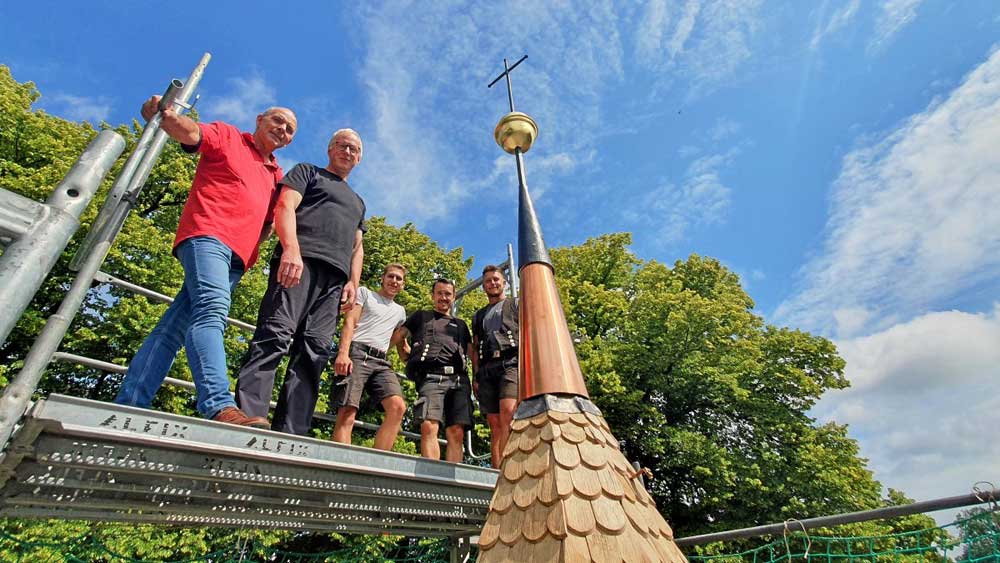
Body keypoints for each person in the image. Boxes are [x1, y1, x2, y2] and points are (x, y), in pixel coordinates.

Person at [115, 96, 297, 428]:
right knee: (212, 310)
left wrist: (255, 249)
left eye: (290, 130)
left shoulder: (275, 174)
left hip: (237, 259)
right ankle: (218, 405)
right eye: (279, 121)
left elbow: (270, 222)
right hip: (208, 235)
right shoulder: (229, 136)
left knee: (174, 326)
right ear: (259, 119)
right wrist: (166, 114)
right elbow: (190, 132)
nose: (283, 130)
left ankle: (131, 403)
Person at [234, 129, 366, 435]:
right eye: (344, 146)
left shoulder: (358, 202)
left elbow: (357, 246)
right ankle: (248, 415)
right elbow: (285, 207)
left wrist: (353, 282)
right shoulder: (307, 172)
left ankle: (292, 430)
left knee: (315, 350)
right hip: (298, 264)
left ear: (359, 158)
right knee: (275, 335)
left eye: (355, 149)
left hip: (334, 281)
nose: (349, 152)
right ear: (331, 148)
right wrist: (291, 249)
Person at [330, 264, 409, 450]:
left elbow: (399, 343)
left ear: (403, 285)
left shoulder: (400, 312)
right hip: (358, 353)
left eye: (399, 279)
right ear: (383, 278)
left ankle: (379, 461)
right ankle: (341, 465)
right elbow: (350, 322)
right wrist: (343, 353)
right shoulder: (365, 293)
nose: (394, 281)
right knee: (348, 410)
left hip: (382, 361)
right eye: (391, 276)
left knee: (398, 407)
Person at [397, 279, 473, 462]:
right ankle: (433, 477)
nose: (443, 297)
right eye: (439, 293)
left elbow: (472, 353)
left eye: (448, 294)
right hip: (430, 377)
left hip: (459, 381)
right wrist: (405, 354)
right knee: (429, 426)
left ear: (453, 297)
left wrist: (477, 377)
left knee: (456, 432)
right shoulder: (421, 316)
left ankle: (452, 486)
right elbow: (399, 336)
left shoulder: (461, 325)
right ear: (433, 295)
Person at [471, 265, 518, 468]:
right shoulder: (478, 316)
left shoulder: (515, 304)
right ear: (484, 287)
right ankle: (497, 473)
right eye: (488, 281)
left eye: (496, 279)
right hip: (487, 367)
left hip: (511, 363)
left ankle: (510, 470)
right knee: (494, 423)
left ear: (504, 283)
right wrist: (475, 375)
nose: (493, 283)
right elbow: (474, 347)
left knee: (508, 413)